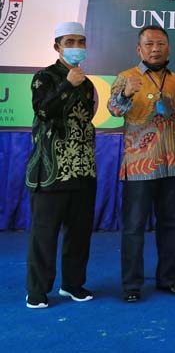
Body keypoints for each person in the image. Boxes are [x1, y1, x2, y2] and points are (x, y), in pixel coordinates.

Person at [108, 25, 175, 303]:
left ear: (169, 48)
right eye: (149, 44)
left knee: (173, 225)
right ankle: (131, 285)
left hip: (173, 166)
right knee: (134, 227)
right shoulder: (126, 77)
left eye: (160, 44)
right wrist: (125, 94)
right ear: (139, 49)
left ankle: (168, 279)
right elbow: (113, 110)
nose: (155, 49)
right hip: (139, 167)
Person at [25, 22, 97, 308]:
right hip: (51, 170)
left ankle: (72, 284)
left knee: (79, 234)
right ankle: (37, 290)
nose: (77, 47)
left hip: (83, 169)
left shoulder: (88, 83)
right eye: (70, 42)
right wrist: (68, 84)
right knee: (44, 235)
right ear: (57, 46)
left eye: (81, 42)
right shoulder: (44, 77)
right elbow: (43, 111)